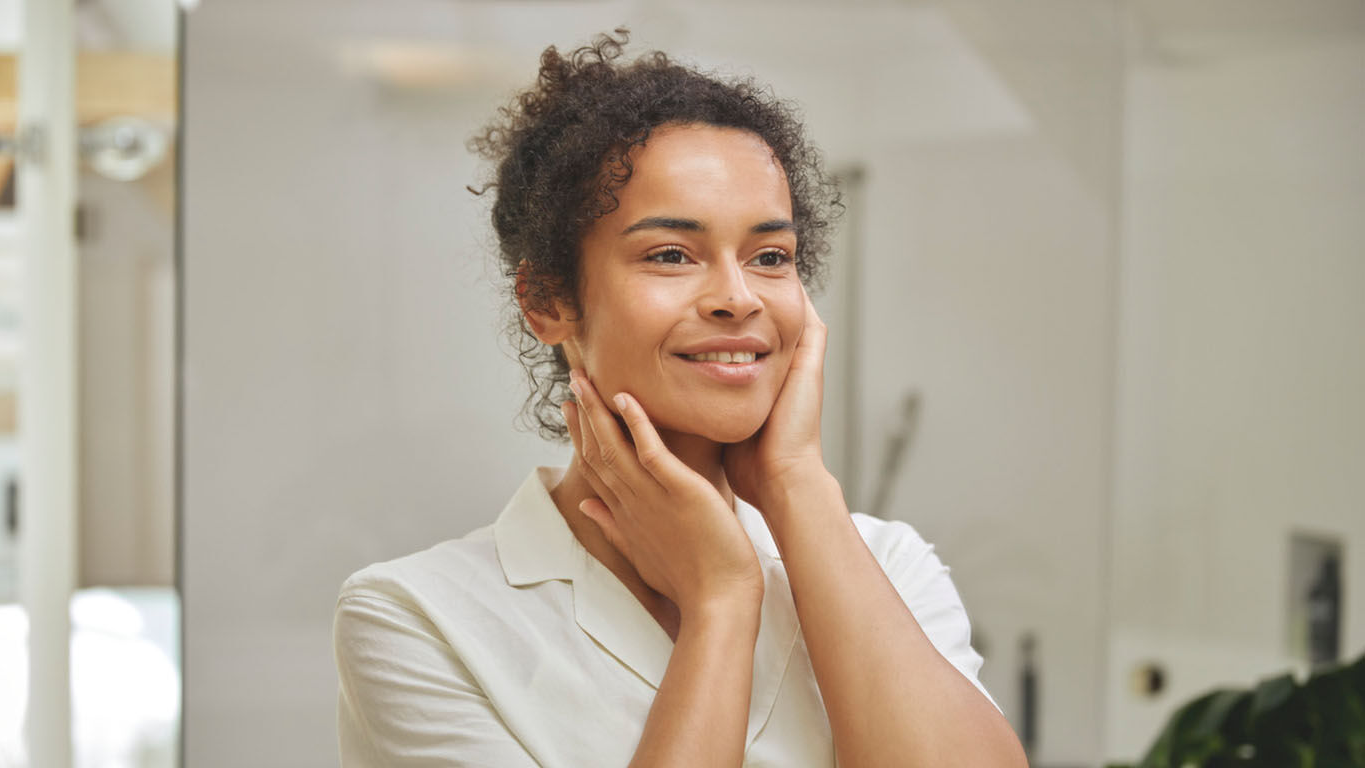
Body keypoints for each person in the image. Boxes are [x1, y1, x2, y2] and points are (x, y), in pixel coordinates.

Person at [333, 30, 1027, 768]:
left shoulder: (890, 566)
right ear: (547, 301)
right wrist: (720, 606)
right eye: (671, 254)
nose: (737, 296)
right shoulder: (416, 616)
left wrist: (795, 484)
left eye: (770, 257)